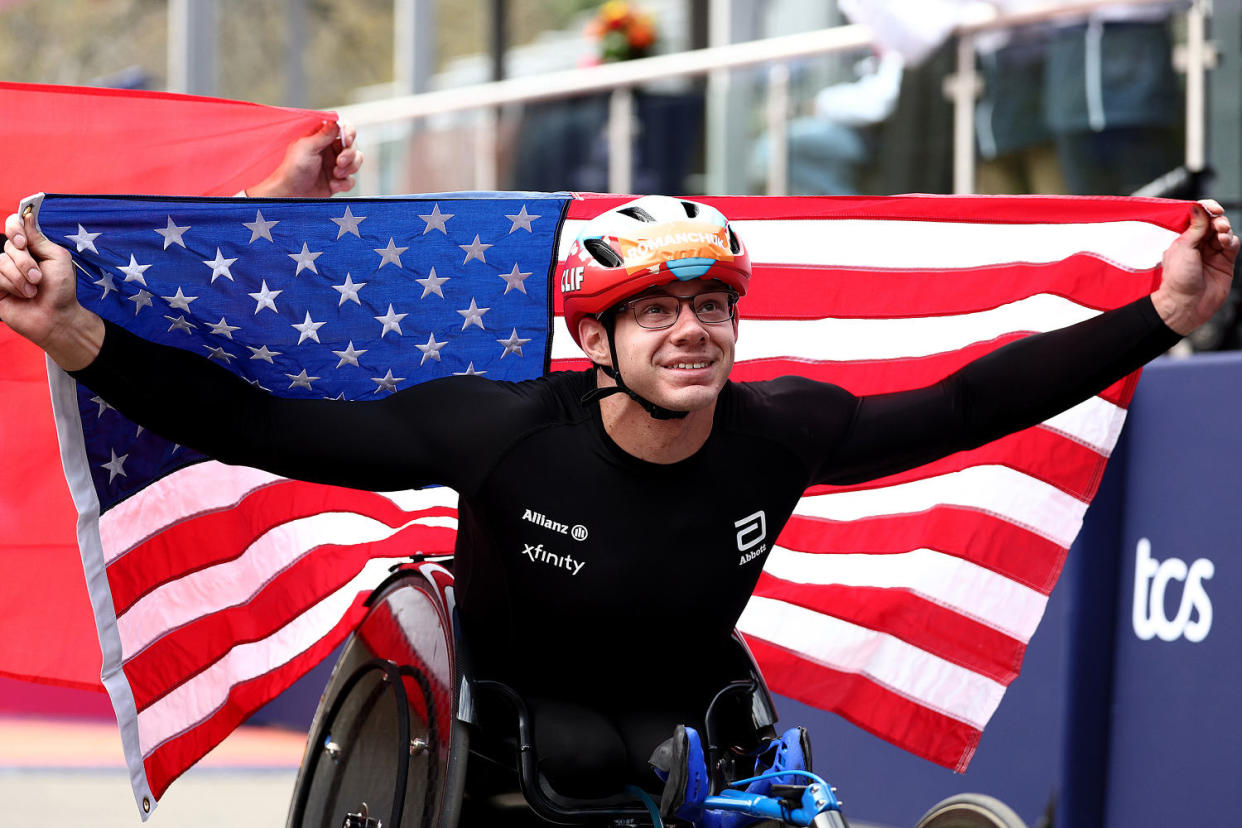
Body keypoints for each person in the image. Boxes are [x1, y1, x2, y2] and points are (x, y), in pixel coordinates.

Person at [0, 193, 1236, 809]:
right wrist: (77, 333)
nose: (692, 333)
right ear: (597, 336)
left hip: (697, 737)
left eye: (712, 308)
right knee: (592, 752)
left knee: (700, 759)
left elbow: (968, 403)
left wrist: (1161, 316)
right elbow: (260, 425)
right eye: (657, 310)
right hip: (490, 751)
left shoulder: (782, 431)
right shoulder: (498, 432)